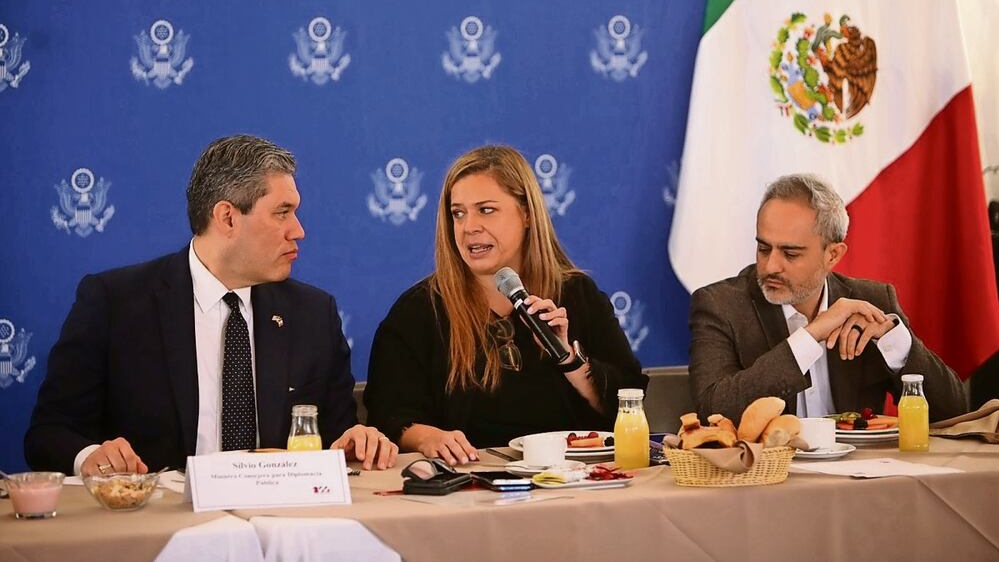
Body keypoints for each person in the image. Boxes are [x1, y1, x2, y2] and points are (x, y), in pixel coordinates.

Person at [25, 135, 398, 475]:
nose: (298, 230)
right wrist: (89, 454)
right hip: (158, 528)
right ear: (227, 217)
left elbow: (336, 434)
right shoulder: (116, 303)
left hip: (281, 526)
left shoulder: (313, 314)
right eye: (282, 212)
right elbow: (49, 433)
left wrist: (355, 441)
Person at [364, 145, 647, 465]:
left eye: (485, 210)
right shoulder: (418, 310)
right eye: (458, 213)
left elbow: (629, 401)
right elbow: (390, 415)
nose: (469, 226)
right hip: (466, 483)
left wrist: (570, 359)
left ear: (526, 213)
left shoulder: (578, 294)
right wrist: (431, 438)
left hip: (572, 482)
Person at [688, 173, 967, 423]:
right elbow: (713, 410)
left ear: (833, 255)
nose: (771, 266)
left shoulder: (872, 302)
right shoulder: (720, 305)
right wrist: (810, 336)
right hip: (767, 476)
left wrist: (895, 341)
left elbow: (954, 412)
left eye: (790, 253)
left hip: (862, 475)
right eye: (763, 248)